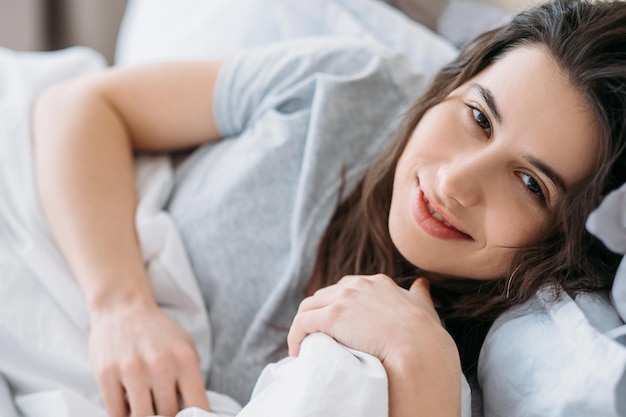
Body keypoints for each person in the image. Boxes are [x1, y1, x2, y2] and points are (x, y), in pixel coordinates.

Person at [32, 0, 626, 416]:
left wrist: (420, 366)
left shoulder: (495, 362)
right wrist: (121, 306)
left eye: (529, 184)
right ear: (456, 81)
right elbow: (80, 107)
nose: (454, 182)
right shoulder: (350, 85)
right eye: (477, 117)